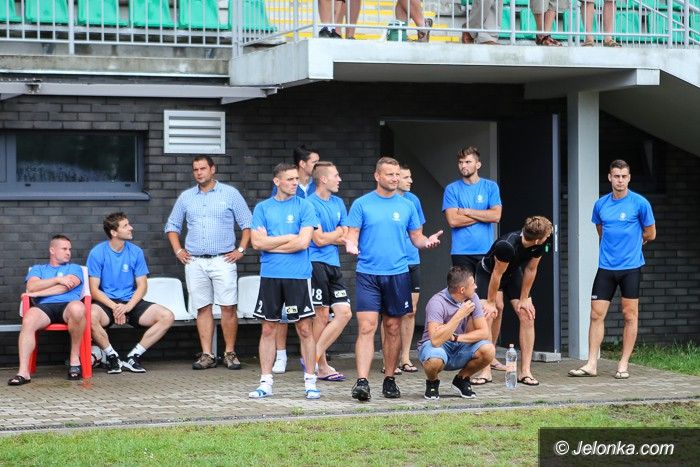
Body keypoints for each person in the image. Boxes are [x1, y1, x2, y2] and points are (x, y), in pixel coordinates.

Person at [345, 157, 443, 401]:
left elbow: (417, 237)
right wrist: (351, 245)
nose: (395, 178)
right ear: (377, 176)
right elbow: (352, 233)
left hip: (398, 274)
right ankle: (362, 382)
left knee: (392, 327)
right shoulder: (362, 204)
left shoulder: (407, 205)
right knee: (366, 327)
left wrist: (427, 242)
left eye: (397, 174)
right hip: (368, 274)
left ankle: (389, 379)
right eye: (390, 174)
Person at [165, 155, 253, 371]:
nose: (199, 173)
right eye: (195, 169)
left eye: (203, 168)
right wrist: (178, 250)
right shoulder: (186, 197)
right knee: (202, 307)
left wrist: (241, 250)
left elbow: (248, 223)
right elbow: (172, 226)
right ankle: (207, 354)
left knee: (228, 307)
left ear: (212, 169)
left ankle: (230, 353)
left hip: (223, 258)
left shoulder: (230, 194)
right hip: (195, 261)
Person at [569, 159, 655, 380]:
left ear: (629, 178)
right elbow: (601, 231)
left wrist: (634, 244)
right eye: (616, 176)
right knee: (596, 314)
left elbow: (650, 233)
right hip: (606, 267)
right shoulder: (600, 205)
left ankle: (623, 364)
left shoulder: (640, 203)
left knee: (629, 315)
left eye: (624, 176)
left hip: (631, 268)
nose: (620, 180)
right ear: (609, 177)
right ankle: (591, 364)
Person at [248, 163, 320, 399]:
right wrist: (289, 237)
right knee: (269, 327)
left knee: (304, 329)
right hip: (270, 276)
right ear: (277, 181)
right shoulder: (262, 208)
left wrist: (272, 243)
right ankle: (265, 383)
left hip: (298, 276)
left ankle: (310, 382)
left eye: (296, 179)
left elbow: (303, 243)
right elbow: (257, 243)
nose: (294, 183)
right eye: (289, 179)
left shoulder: (305, 206)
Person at [89, 212, 174, 374]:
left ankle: (133, 357)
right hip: (107, 302)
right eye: (125, 226)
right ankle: (112, 357)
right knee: (90, 315)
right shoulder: (97, 252)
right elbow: (94, 289)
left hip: (130, 302)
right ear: (114, 232)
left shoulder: (136, 252)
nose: (131, 228)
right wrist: (116, 307)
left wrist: (127, 307)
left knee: (167, 316)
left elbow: (142, 286)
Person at [442, 146, 503, 371]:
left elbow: (496, 215)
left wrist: (466, 211)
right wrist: (482, 214)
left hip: (486, 252)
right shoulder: (452, 189)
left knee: (491, 304)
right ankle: (470, 352)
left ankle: (490, 353)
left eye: (468, 162)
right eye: (460, 162)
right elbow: (453, 221)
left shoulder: (490, 187)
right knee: (466, 302)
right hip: (461, 251)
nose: (463, 166)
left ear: (478, 164)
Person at [474, 215, 553, 386]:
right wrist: (490, 302)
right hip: (489, 274)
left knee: (527, 314)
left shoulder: (540, 244)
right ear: (537, 239)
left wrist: (524, 299)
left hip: (511, 273)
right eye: (546, 236)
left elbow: (531, 269)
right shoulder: (507, 245)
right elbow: (497, 275)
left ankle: (525, 371)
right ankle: (485, 370)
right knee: (489, 314)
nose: (548, 237)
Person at [8, 235, 87, 385]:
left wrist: (37, 293)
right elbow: (32, 286)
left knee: (78, 308)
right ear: (52, 250)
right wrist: (57, 279)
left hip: (68, 306)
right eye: (64, 249)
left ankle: (74, 360)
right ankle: (23, 372)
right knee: (29, 318)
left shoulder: (75, 268)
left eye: (69, 249)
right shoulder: (38, 269)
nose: (68, 252)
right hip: (45, 308)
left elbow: (65, 288)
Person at [271, 145, 320, 375]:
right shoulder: (284, 190)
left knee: (310, 313)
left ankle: (311, 357)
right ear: (302, 164)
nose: (318, 167)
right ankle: (280, 355)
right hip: (289, 261)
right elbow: (273, 233)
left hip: (312, 258)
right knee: (282, 313)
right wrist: (290, 241)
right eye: (314, 162)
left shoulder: (317, 187)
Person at [418, 266, 495, 399]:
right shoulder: (436, 302)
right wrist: (459, 315)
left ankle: (462, 379)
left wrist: (456, 338)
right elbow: (435, 340)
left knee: (488, 349)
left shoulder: (473, 298)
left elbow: (484, 333)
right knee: (434, 360)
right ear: (462, 290)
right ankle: (432, 382)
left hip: (458, 344)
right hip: (437, 347)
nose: (476, 286)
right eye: (473, 284)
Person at [307, 161, 352, 381]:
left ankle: (312, 357)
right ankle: (321, 366)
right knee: (322, 315)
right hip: (315, 263)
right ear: (323, 179)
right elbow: (319, 239)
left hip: (334, 264)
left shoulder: (338, 202)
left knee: (344, 313)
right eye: (336, 175)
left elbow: (347, 234)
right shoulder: (309, 204)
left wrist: (332, 235)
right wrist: (337, 234)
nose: (339, 179)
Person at [381, 164, 425, 374]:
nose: (410, 181)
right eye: (406, 177)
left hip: (412, 260)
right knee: (389, 312)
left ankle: (405, 357)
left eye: (409, 177)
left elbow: (418, 231)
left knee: (410, 310)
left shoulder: (413, 200)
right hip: (391, 263)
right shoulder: (383, 201)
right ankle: (387, 360)